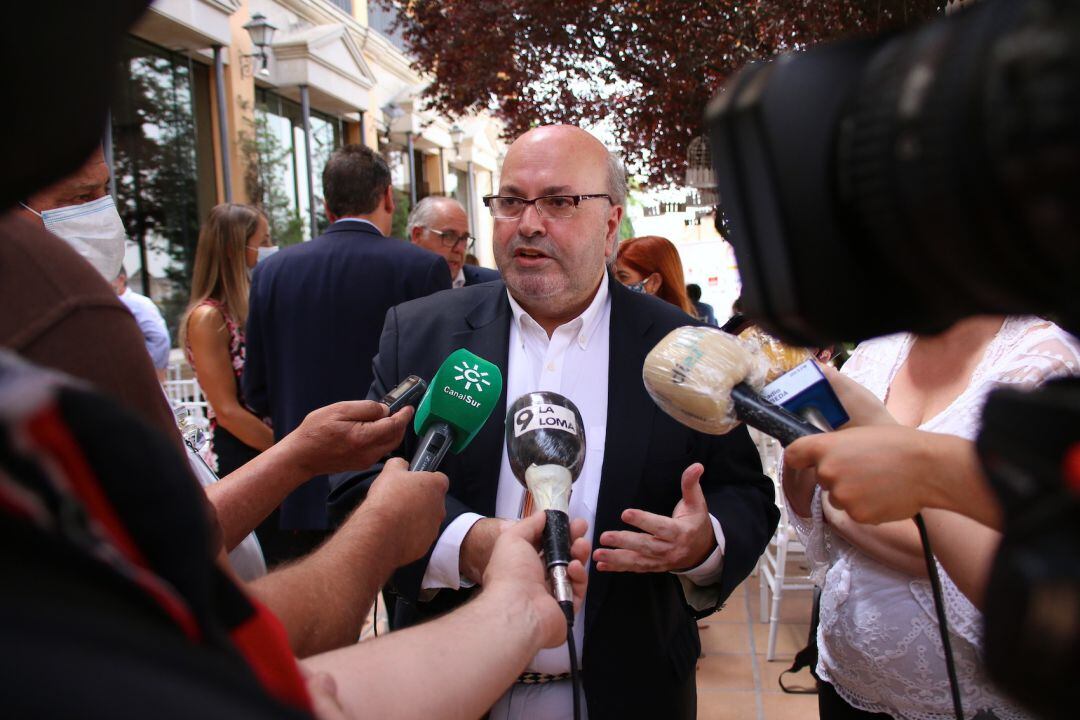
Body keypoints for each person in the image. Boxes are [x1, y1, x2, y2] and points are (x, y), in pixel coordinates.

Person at [366, 125, 778, 718]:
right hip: (446, 690)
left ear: (611, 226)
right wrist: (472, 546)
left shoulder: (684, 348)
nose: (529, 223)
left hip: (629, 693)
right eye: (511, 201)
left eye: (559, 202)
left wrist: (703, 543)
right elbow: (359, 485)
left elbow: (744, 494)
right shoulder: (419, 334)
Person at [782, 315, 1080, 719]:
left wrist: (847, 498)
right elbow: (808, 492)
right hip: (846, 675)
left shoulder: (1047, 361)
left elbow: (989, 561)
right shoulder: (877, 348)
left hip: (964, 700)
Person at [243, 144, 452, 565]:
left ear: (325, 204)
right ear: (388, 197)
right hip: (387, 480)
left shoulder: (272, 270)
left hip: (299, 486)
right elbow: (439, 383)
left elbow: (256, 389)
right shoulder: (421, 268)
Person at [181, 204, 276, 477]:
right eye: (264, 241)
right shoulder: (208, 318)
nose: (271, 248)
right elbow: (227, 411)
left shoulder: (245, 310)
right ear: (236, 249)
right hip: (248, 454)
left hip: (269, 451)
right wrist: (291, 450)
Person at [406, 195, 499, 287]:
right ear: (417, 235)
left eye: (464, 238)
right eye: (449, 236)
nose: (459, 249)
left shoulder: (495, 284)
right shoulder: (396, 288)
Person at [612, 234, 697, 316]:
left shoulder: (679, 328)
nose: (613, 284)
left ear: (654, 283)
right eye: (612, 276)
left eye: (623, 277)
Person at [111, 264, 171, 380]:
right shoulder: (113, 304)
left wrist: (152, 373)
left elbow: (159, 339)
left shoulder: (138, 304)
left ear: (121, 279)